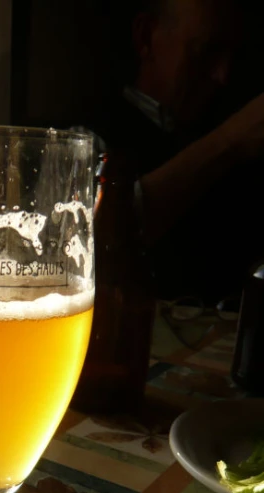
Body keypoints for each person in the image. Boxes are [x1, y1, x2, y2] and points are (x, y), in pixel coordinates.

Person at [83, 0, 264, 302]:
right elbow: (91, 242)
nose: (223, 76)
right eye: (205, 52)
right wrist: (230, 142)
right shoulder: (90, 136)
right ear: (146, 38)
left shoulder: (227, 130)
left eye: (232, 55)